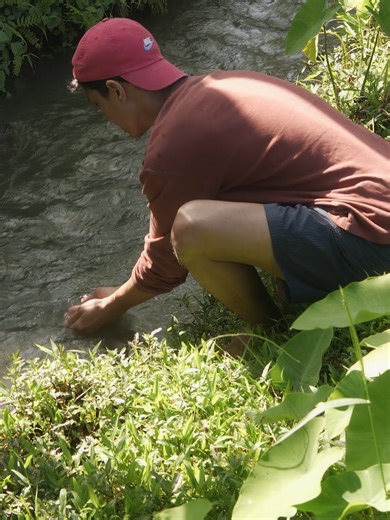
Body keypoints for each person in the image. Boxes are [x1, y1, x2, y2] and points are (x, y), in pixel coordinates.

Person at [65, 17, 390, 354]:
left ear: (116, 91)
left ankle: (267, 331)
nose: (105, 116)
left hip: (375, 244)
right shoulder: (226, 84)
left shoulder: (172, 146)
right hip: (376, 212)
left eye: (98, 105)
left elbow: (164, 265)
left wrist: (112, 305)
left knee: (192, 228)